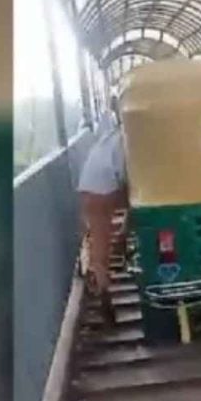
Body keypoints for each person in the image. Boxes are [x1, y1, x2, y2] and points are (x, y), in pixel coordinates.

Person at [78, 96, 128, 325]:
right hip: (109, 187)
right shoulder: (131, 138)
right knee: (142, 202)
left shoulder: (110, 136)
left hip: (89, 186)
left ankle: (103, 286)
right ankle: (123, 239)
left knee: (99, 243)